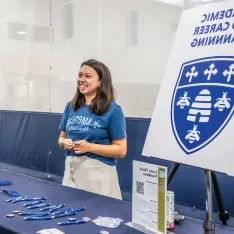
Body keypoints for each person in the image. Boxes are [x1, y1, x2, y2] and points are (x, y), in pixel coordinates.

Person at [58, 59, 127, 200]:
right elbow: (61, 138)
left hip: (98, 174)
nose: (82, 80)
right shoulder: (70, 107)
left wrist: (89, 147)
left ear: (101, 82)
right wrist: (64, 143)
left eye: (88, 76)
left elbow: (121, 150)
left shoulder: (113, 110)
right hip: (70, 170)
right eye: (80, 75)